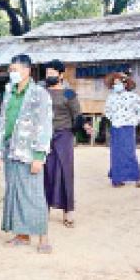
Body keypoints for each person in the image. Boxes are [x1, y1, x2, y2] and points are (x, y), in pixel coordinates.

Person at [0, 54, 54, 254]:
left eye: (15, 70)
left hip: (29, 152)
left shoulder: (39, 94)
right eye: (10, 70)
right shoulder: (9, 92)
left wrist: (39, 156)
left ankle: (43, 238)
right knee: (14, 192)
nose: (12, 73)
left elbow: (45, 125)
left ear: (27, 71)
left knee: (33, 194)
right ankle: (22, 235)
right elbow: (2, 121)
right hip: (10, 149)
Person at [42, 60, 92, 228]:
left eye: (52, 73)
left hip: (64, 135)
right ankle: (44, 209)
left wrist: (85, 126)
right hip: (44, 136)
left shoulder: (69, 93)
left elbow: (77, 114)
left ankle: (68, 211)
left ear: (61, 75)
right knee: (45, 171)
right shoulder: (41, 92)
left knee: (65, 171)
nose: (49, 76)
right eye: (47, 73)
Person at [104, 72, 140, 188]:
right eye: (114, 83)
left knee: (129, 152)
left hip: (128, 127)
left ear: (125, 84)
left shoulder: (133, 97)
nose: (116, 85)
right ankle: (117, 179)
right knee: (116, 153)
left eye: (118, 83)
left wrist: (135, 121)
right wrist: (113, 119)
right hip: (116, 127)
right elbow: (107, 111)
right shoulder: (111, 97)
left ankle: (137, 178)